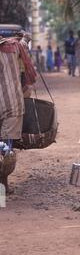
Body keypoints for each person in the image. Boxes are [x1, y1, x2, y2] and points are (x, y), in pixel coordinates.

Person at [0, 33, 37, 193]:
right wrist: (24, 38)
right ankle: (3, 184)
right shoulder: (15, 47)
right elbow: (25, 43)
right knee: (6, 148)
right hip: (12, 105)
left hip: (11, 105)